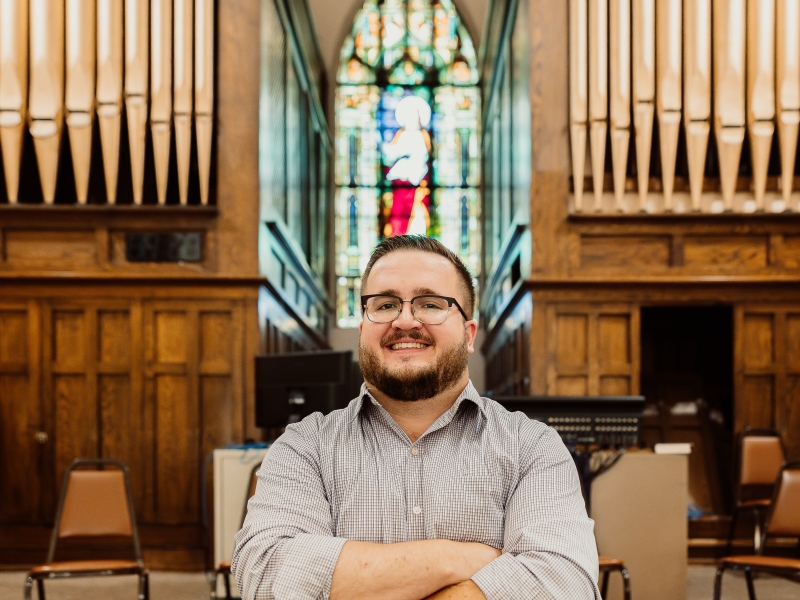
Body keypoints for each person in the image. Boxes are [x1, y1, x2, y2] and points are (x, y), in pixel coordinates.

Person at [232, 235, 600, 599]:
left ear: (468, 334)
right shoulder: (304, 446)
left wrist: (355, 583)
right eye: (386, 304)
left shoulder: (532, 446)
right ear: (363, 330)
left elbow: (565, 585)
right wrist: (455, 558)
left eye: (430, 304)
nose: (405, 321)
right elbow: (266, 577)